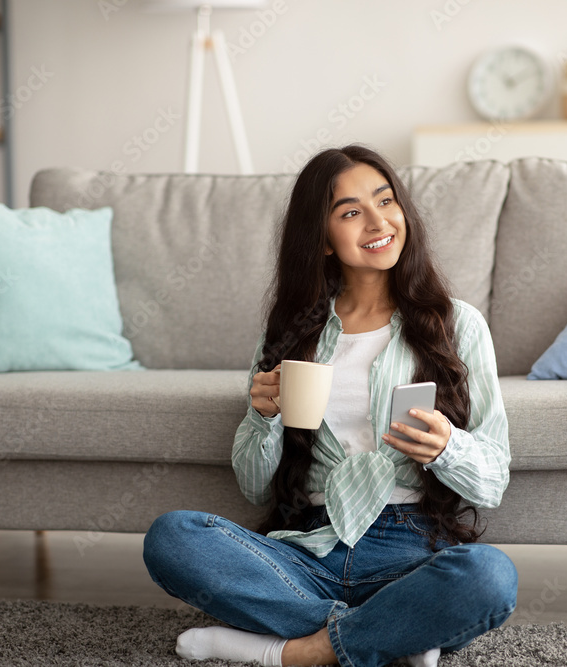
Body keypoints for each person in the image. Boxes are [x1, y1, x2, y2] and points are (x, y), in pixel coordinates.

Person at [142, 145, 516, 667]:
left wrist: (447, 447)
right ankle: (393, 632)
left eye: (386, 201)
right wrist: (263, 418)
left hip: (408, 550)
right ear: (321, 239)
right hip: (308, 547)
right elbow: (252, 485)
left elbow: (493, 480)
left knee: (490, 576)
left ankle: (289, 652)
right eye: (350, 212)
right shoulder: (291, 331)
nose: (378, 221)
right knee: (173, 538)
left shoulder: (458, 324)